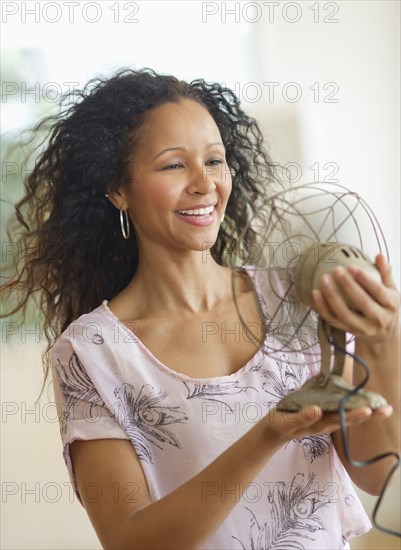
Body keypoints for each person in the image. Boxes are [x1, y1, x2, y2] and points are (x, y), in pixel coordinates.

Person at [2, 68, 400, 550]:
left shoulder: (293, 298)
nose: (204, 184)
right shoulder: (93, 352)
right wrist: (269, 434)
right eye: (173, 165)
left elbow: (379, 472)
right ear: (117, 189)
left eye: (215, 160)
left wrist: (384, 340)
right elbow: (130, 541)